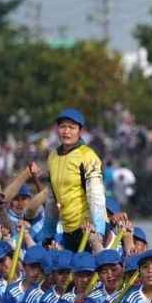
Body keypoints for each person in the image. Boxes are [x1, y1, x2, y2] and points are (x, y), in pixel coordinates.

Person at [43, 108, 107, 252]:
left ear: (80, 131)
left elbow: (96, 196)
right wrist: (47, 233)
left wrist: (99, 233)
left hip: (88, 229)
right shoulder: (52, 156)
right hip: (67, 229)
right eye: (62, 127)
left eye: (71, 127)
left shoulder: (88, 156)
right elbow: (52, 198)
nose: (66, 132)